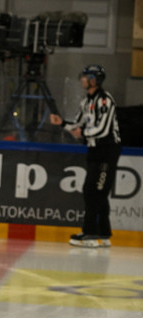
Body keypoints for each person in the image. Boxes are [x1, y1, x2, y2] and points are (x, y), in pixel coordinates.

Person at [49, 65, 121, 248]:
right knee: (96, 191)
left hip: (107, 151)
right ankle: (103, 233)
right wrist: (62, 123)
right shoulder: (86, 101)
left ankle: (90, 233)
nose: (82, 79)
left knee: (94, 191)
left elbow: (103, 129)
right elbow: (77, 123)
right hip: (94, 150)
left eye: (86, 77)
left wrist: (83, 133)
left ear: (94, 80)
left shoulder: (105, 100)